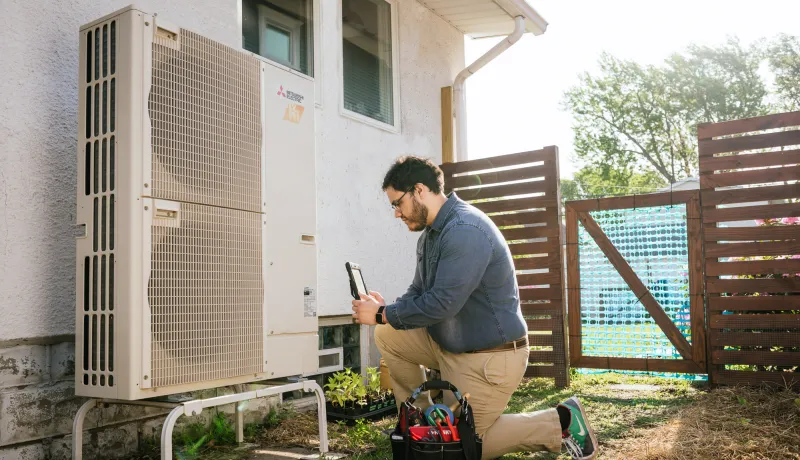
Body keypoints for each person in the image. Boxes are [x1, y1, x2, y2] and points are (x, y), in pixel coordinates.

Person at [351, 156, 598, 460]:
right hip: (451, 346)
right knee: (388, 334)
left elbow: (441, 303)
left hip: (490, 359)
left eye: (397, 203)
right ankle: (424, 420)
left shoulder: (465, 230)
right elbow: (418, 292)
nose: (396, 213)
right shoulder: (431, 235)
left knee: (457, 447)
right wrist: (386, 312)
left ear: (419, 190)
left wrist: (381, 313)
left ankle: (561, 422)